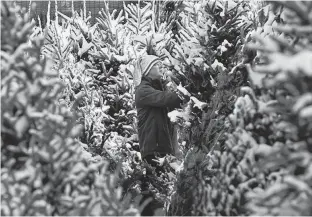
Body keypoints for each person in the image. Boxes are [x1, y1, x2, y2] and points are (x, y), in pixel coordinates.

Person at [134, 55, 189, 215]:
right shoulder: (143, 91)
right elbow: (168, 99)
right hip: (153, 148)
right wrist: (186, 91)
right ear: (147, 70)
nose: (161, 67)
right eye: (157, 65)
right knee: (156, 191)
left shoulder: (156, 88)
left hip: (162, 147)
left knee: (164, 191)